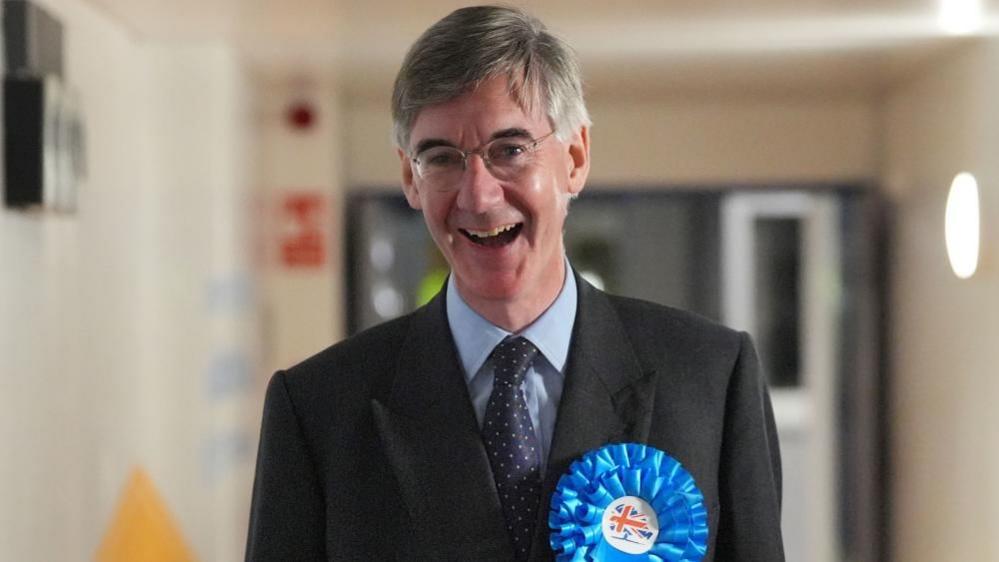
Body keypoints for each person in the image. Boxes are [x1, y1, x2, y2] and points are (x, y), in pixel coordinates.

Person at [246, 6, 784, 561]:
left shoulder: (711, 379)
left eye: (510, 150)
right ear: (410, 177)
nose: (478, 196)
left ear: (575, 158)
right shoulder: (318, 410)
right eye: (441, 158)